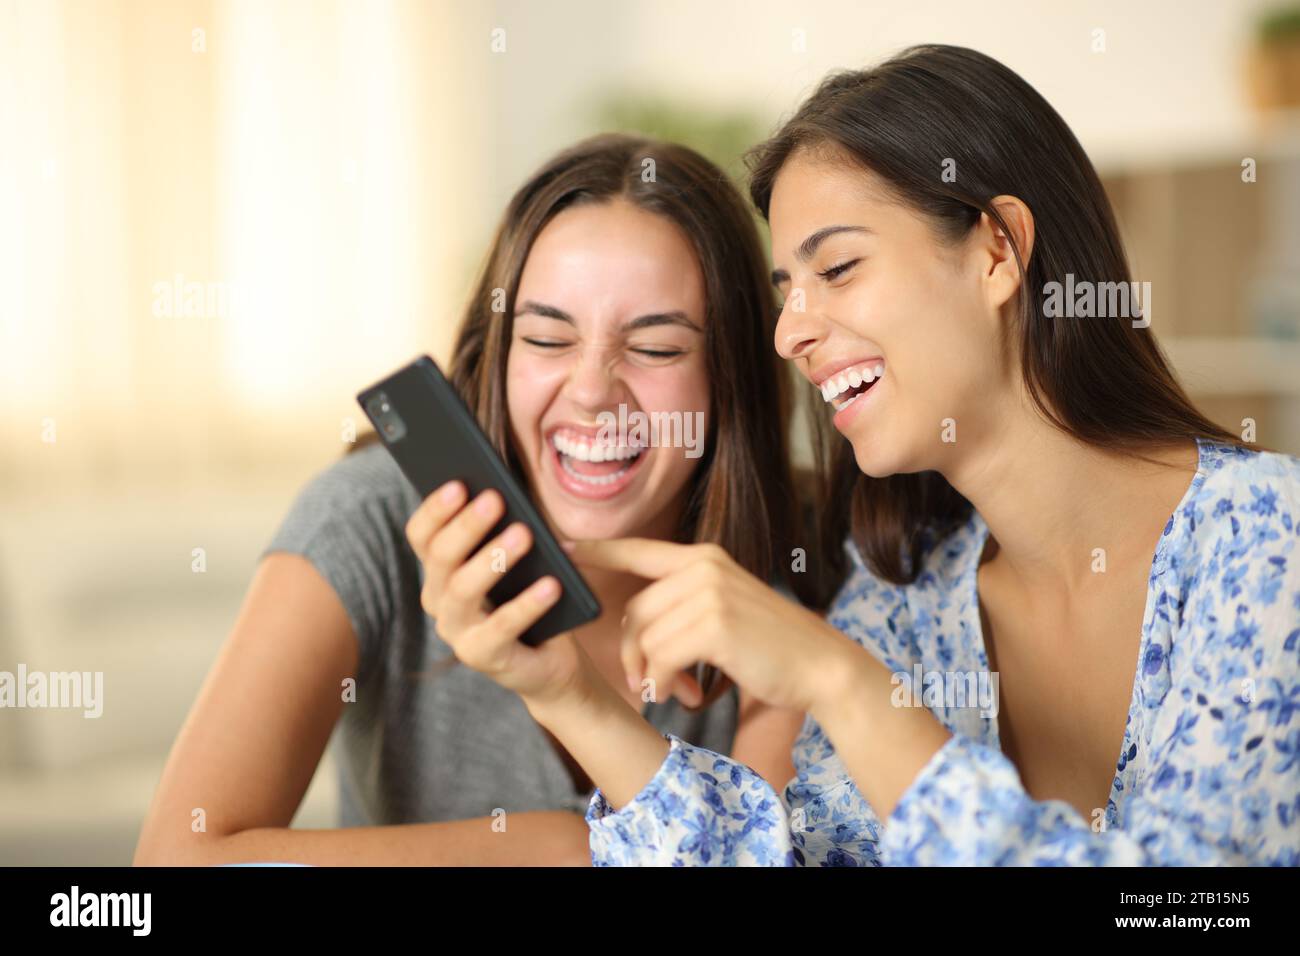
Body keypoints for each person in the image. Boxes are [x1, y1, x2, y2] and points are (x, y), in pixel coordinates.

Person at [423, 46, 1300, 866]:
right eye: (786, 292)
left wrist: (839, 682)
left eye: (837, 268)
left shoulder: (1268, 543)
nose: (789, 333)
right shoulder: (903, 594)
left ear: (999, 250)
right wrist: (566, 692)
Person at [134, 134, 825, 866]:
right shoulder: (366, 520)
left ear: (733, 383)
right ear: (494, 360)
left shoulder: (799, 558)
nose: (591, 392)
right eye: (547, 338)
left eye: (656, 349)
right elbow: (176, 860)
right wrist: (564, 848)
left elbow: (769, 857)